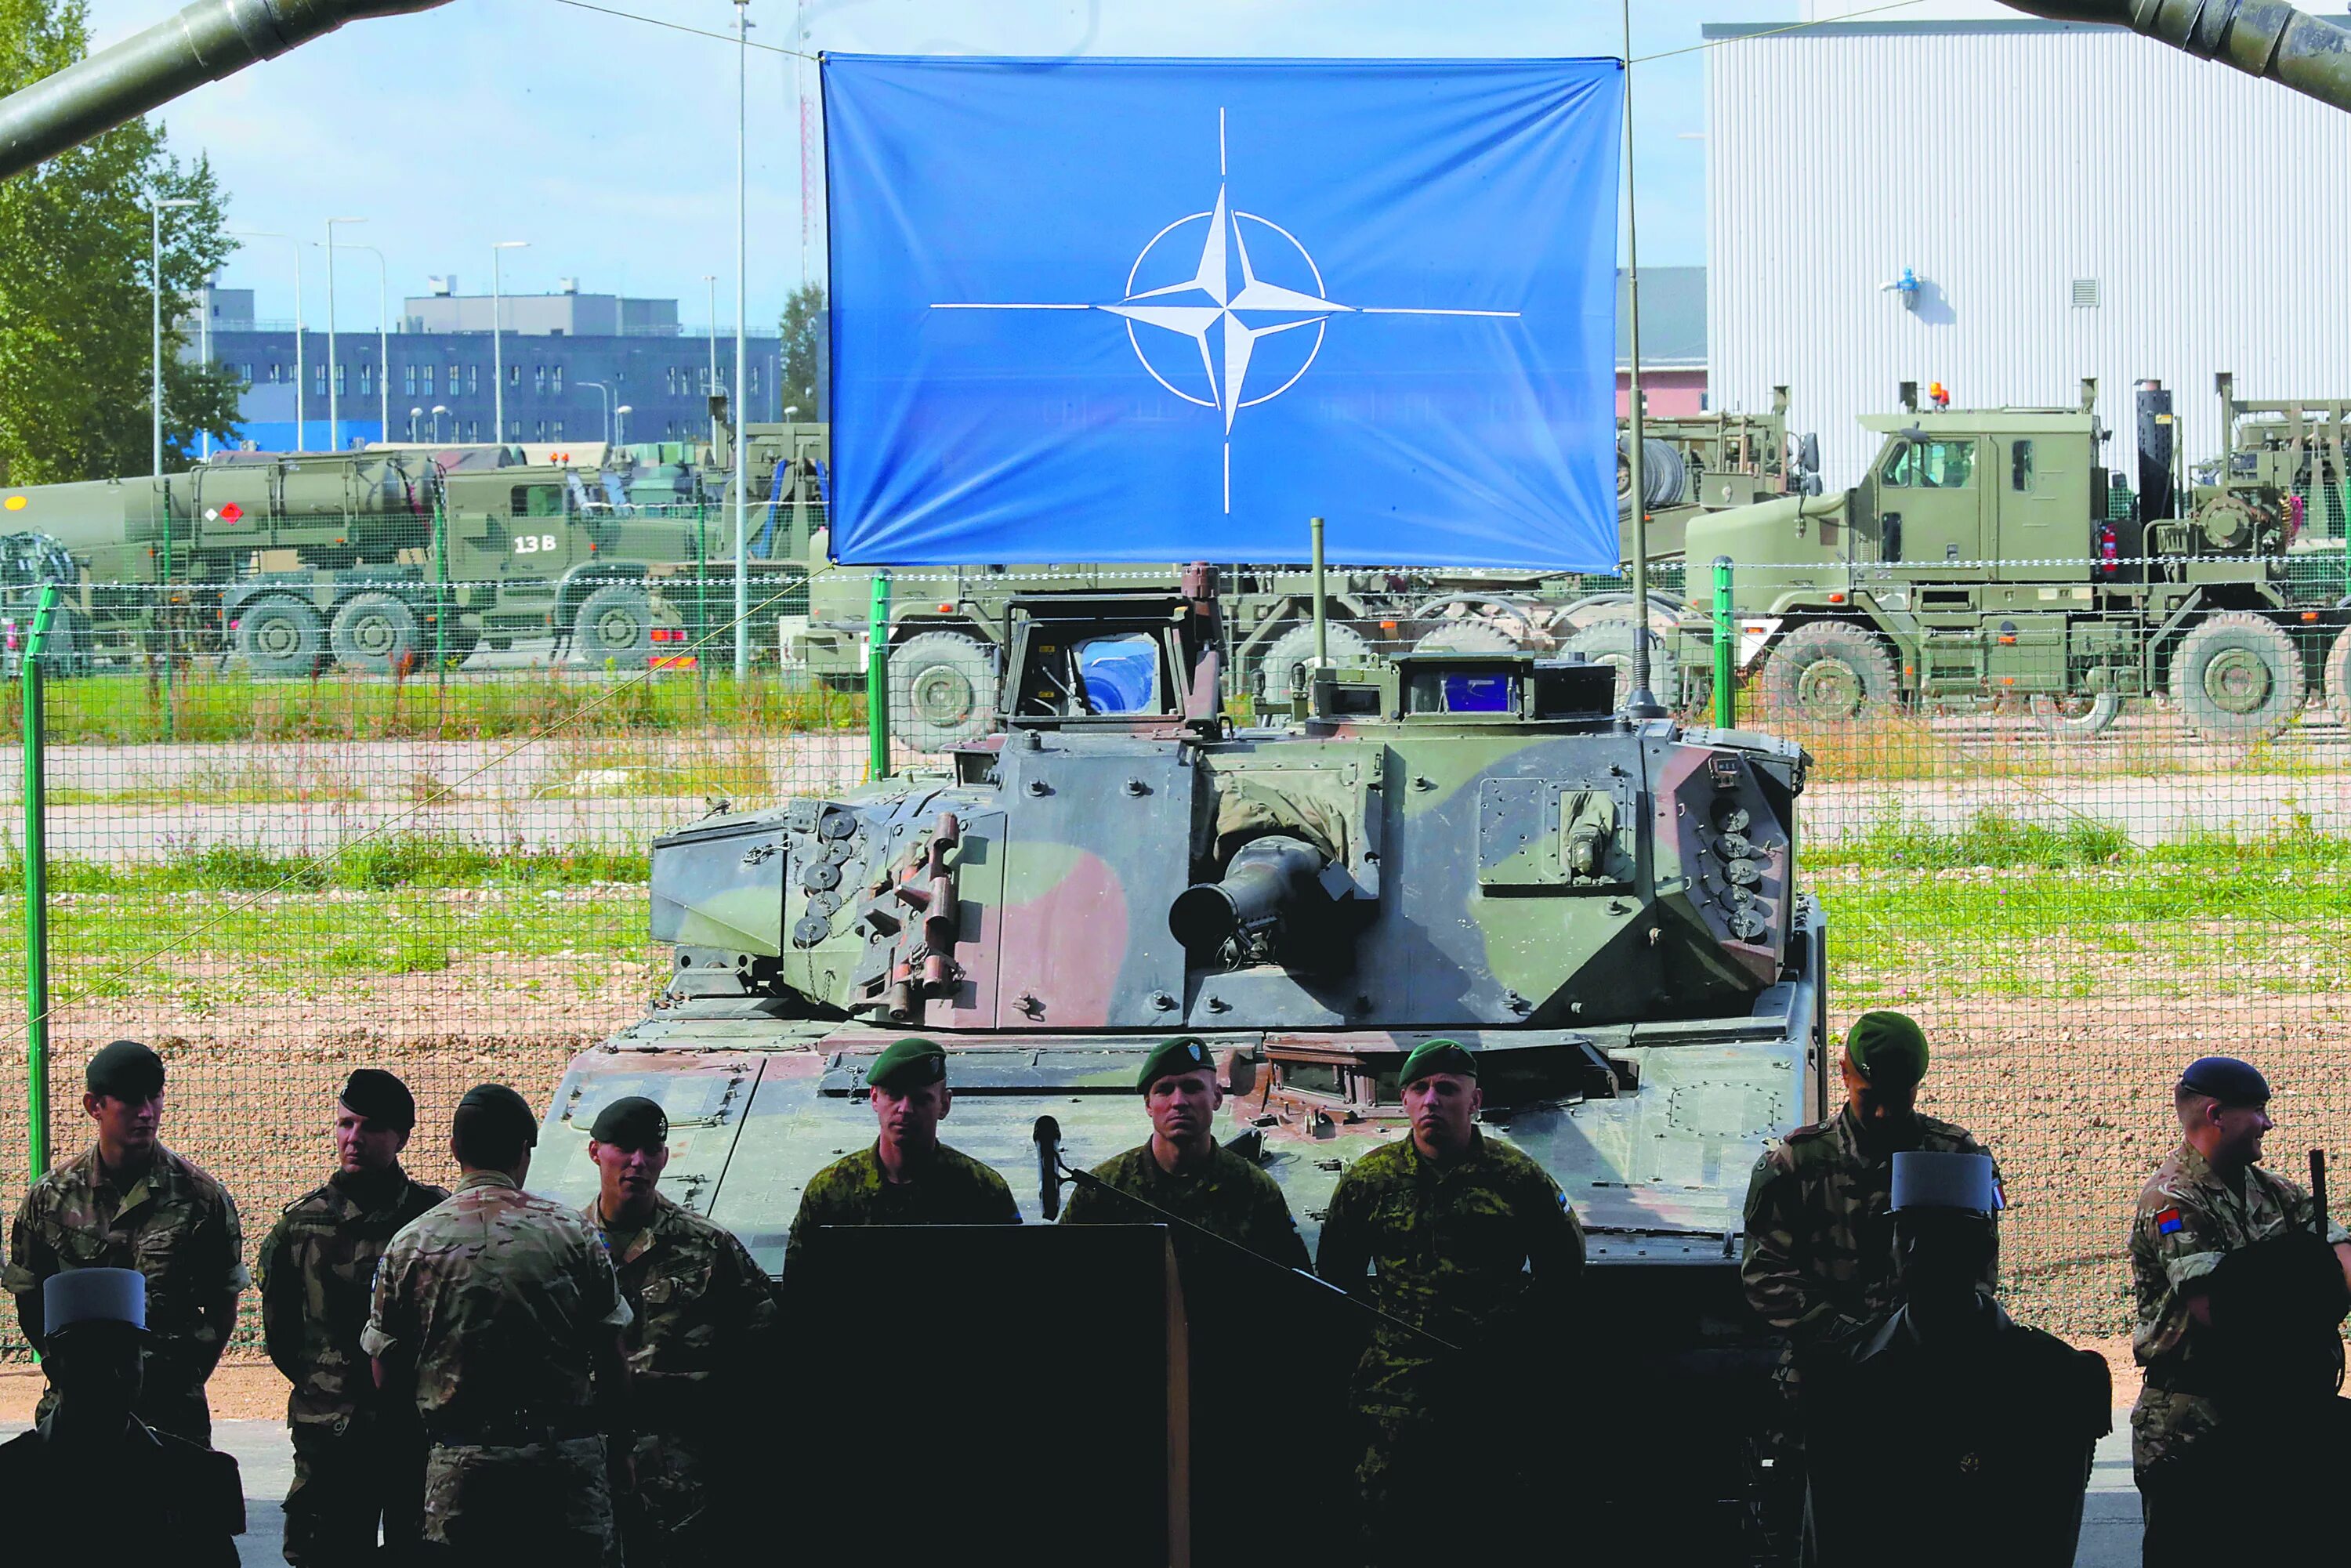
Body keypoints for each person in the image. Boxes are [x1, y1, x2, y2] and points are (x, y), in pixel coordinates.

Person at [1314, 1037, 1585, 1563]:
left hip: (1490, 1398)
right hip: (1393, 1402)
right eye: (1419, 1088)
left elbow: (1562, 1274)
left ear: (1474, 1100)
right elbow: (1336, 1281)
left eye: (1446, 1088)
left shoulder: (1517, 1179)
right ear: (1406, 1100)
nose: (1431, 1099)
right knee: (1386, 1538)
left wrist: (1513, 1343)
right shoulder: (1370, 1181)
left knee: (1489, 1532)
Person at [364, 1082, 633, 1566]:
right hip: (564, 1473)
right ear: (523, 1152)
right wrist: (618, 1458)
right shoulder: (574, 1234)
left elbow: (387, 1375)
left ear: (454, 1149)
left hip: (460, 1476)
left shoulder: (411, 1244)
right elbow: (613, 1360)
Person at [1800, 1151, 2109, 1568]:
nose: (1912, 1248)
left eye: (1935, 1235)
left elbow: (2049, 1537)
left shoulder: (2056, 1380)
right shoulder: (1846, 1375)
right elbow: (1829, 1542)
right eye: (1903, 1232)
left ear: (1983, 1250)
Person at [2129, 1056, 2351, 1563]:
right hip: (2190, 1419)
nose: (2268, 1122)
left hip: (2265, 1408)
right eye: (2258, 1109)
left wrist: (2302, 1280)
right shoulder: (2169, 1200)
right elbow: (2216, 1309)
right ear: (2216, 1114)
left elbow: (2344, 1260)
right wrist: (2307, 1281)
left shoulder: (2276, 1191)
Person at [3, 1038, 246, 1447]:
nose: (147, 1112)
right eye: (131, 1101)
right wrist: (64, 1369)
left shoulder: (201, 1197)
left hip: (171, 1417)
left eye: (155, 1096)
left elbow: (223, 1303)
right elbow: (30, 1297)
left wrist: (185, 1376)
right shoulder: (52, 1197)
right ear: (94, 1106)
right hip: (74, 1414)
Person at [256, 1069, 451, 1565]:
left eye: (369, 1127)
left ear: (401, 1136)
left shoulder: (436, 1221)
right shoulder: (301, 1227)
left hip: (418, 1435)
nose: (353, 1139)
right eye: (345, 1124)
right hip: (333, 1439)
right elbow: (282, 1338)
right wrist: (333, 1386)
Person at [1742, 1011, 1997, 1375]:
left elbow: (1978, 1269)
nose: (1881, 1113)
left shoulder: (1955, 1159)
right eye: (1870, 1096)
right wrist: (1850, 1341)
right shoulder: (1797, 1164)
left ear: (1916, 1087)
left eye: (1896, 1099)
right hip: (1828, 1377)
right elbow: (1766, 1273)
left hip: (1928, 1373)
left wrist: (1924, 1335)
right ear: (1844, 1072)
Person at [584, 1095, 781, 1564]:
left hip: (684, 1482)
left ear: (665, 1157)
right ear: (596, 1152)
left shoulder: (708, 1248)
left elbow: (765, 1349)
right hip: (587, 1475)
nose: (638, 1162)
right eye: (623, 1148)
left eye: (651, 1150)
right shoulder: (568, 1248)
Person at [0, 1268, 245, 1563]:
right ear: (53, 1372)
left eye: (126, 1356)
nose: (114, 1374)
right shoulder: (11, 1478)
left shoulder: (199, 1478)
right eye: (93, 1359)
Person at [1060, 1034, 1308, 1266]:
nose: (1178, 1102)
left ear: (1217, 1098)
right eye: (1164, 1090)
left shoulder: (1253, 1191)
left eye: (1192, 1087)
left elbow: (1299, 1290)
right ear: (1149, 1104)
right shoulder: (1104, 1190)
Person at [785, 1037, 1019, 1269]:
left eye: (921, 1099)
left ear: (944, 1105)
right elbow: (799, 1289)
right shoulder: (832, 1191)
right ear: (874, 1098)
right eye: (894, 1095)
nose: (905, 1109)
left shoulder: (980, 1191)